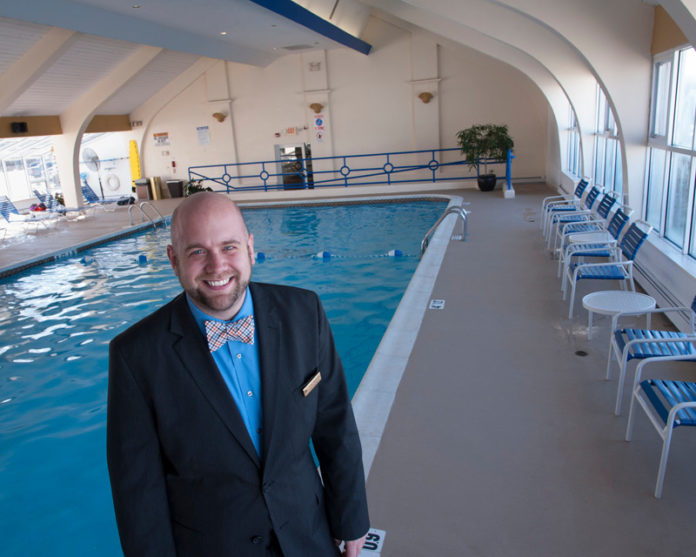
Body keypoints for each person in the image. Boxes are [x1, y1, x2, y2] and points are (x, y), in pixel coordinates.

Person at [107, 192, 369, 556]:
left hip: (309, 534)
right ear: (173, 260)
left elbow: (335, 424)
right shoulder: (136, 355)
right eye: (197, 251)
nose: (217, 266)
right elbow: (137, 490)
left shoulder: (303, 312)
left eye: (228, 247)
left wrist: (351, 519)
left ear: (249, 247)